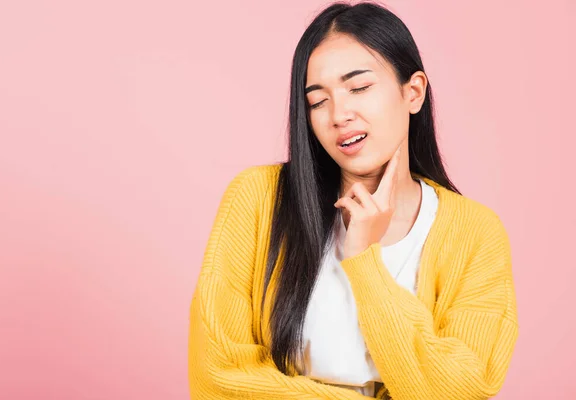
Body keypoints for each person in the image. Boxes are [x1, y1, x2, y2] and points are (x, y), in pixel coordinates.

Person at [187, 2, 518, 399]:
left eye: (359, 87)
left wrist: (365, 263)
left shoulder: (475, 233)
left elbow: (458, 389)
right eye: (317, 101)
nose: (339, 114)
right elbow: (218, 377)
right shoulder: (258, 199)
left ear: (412, 92)